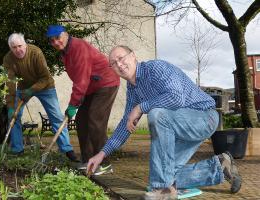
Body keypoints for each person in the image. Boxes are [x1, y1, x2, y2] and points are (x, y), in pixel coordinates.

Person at [86, 45, 242, 199]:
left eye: (121, 58)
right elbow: (125, 126)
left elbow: (176, 97)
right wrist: (101, 154)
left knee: (157, 114)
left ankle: (163, 191)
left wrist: (141, 107)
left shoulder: (156, 68)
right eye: (113, 63)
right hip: (178, 128)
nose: (119, 64)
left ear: (133, 56)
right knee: (163, 172)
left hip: (203, 118)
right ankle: (221, 166)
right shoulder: (133, 90)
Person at [46, 25, 120, 175]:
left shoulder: (78, 47)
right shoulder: (65, 53)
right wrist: (76, 102)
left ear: (66, 34)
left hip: (106, 83)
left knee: (95, 120)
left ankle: (104, 164)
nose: (56, 42)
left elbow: (81, 79)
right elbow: (80, 80)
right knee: (81, 120)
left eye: (58, 38)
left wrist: (73, 104)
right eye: (52, 41)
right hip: (91, 88)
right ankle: (88, 161)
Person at [3, 33, 78, 162]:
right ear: (10, 48)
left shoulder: (35, 53)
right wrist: (10, 106)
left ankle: (67, 150)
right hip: (23, 88)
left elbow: (45, 77)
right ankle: (17, 149)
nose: (18, 50)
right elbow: (9, 84)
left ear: (25, 44)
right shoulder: (8, 59)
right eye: (14, 47)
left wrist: (32, 90)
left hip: (45, 87)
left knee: (56, 117)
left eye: (20, 46)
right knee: (13, 116)